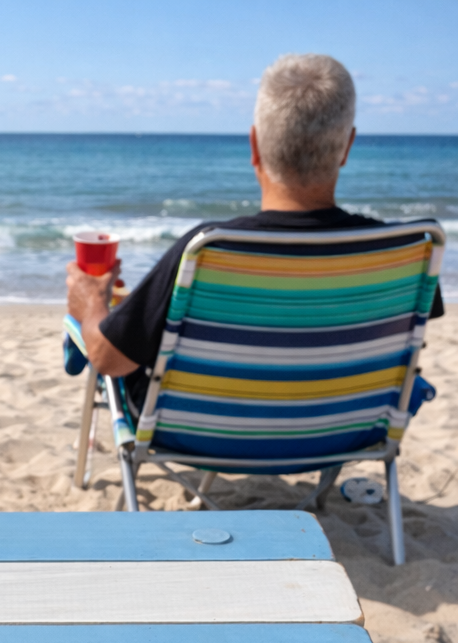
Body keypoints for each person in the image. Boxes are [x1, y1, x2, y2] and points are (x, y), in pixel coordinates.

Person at [66, 53, 445, 416]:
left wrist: (91, 300)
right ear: (347, 148)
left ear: (254, 145)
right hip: (350, 429)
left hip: (195, 432)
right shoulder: (409, 250)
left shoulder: (206, 250)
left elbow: (109, 358)